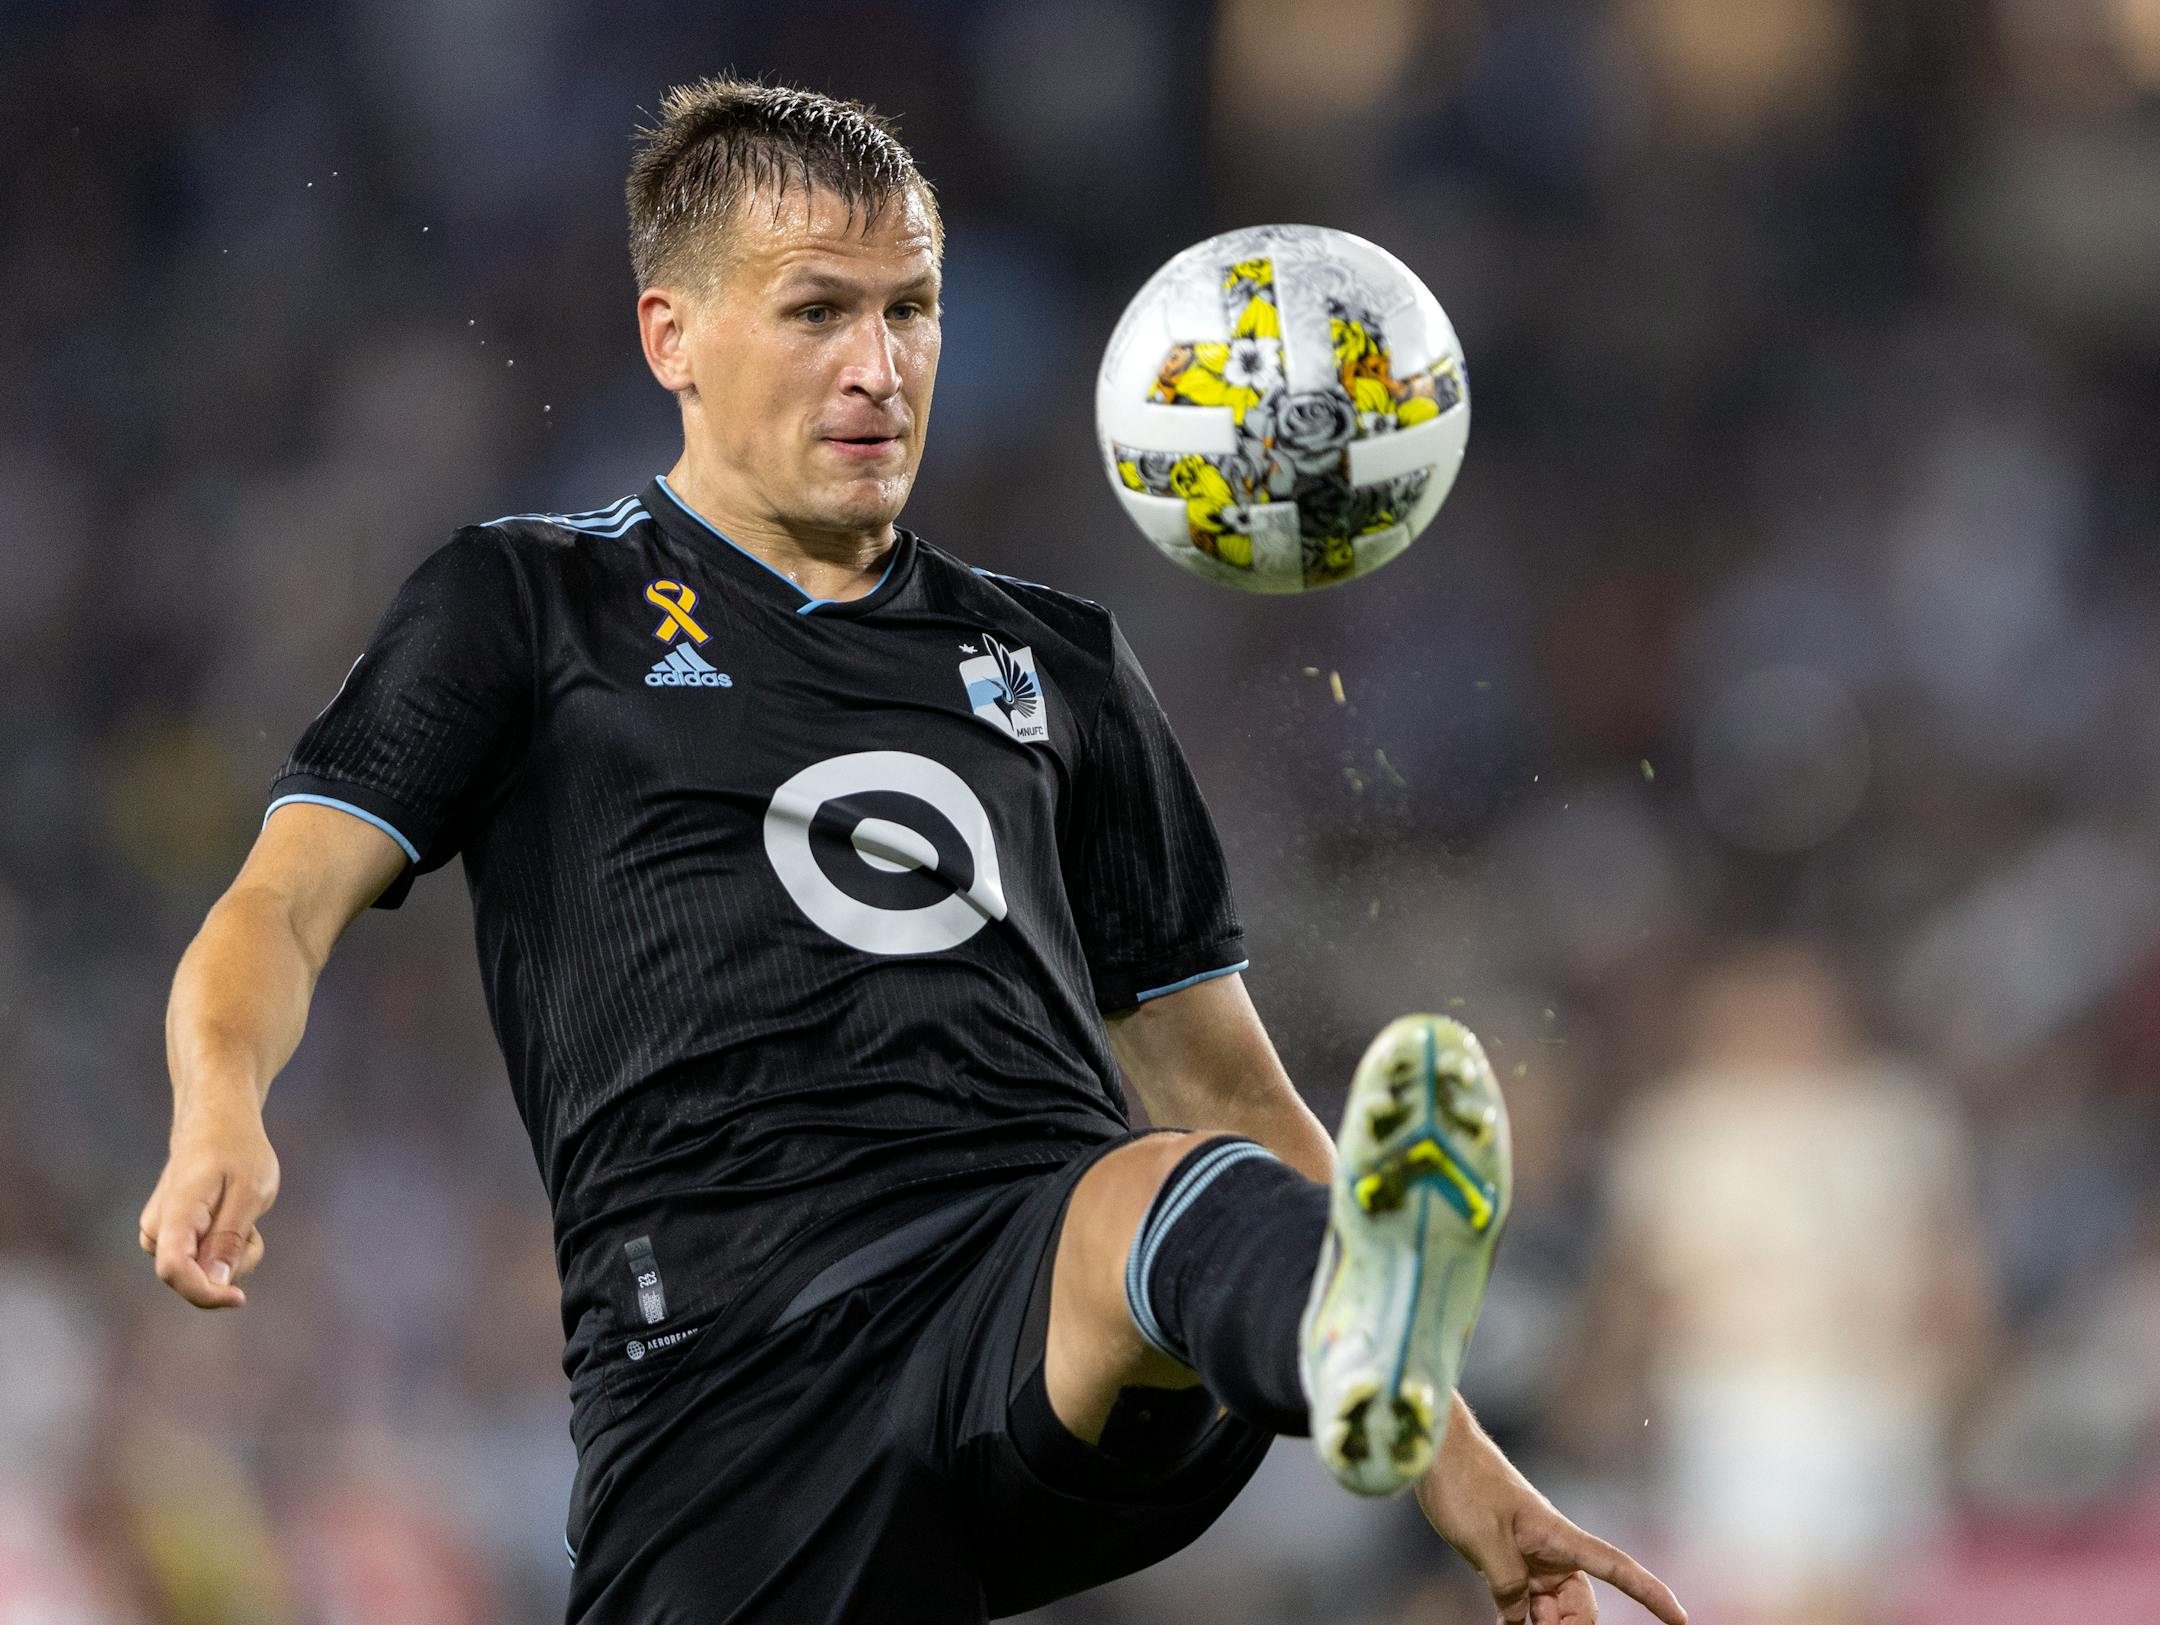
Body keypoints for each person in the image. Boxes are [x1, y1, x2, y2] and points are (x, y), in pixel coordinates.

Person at [139, 77, 1684, 1625]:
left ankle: (1358, 1333)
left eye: (913, 310)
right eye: (817, 310)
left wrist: (1461, 1465)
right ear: (672, 335)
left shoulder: (1059, 663)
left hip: (1029, 1293)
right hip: (728, 1390)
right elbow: (278, 904)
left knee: (1161, 1189)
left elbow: (1225, 1083)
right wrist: (220, 1106)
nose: (881, 367)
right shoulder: (530, 608)